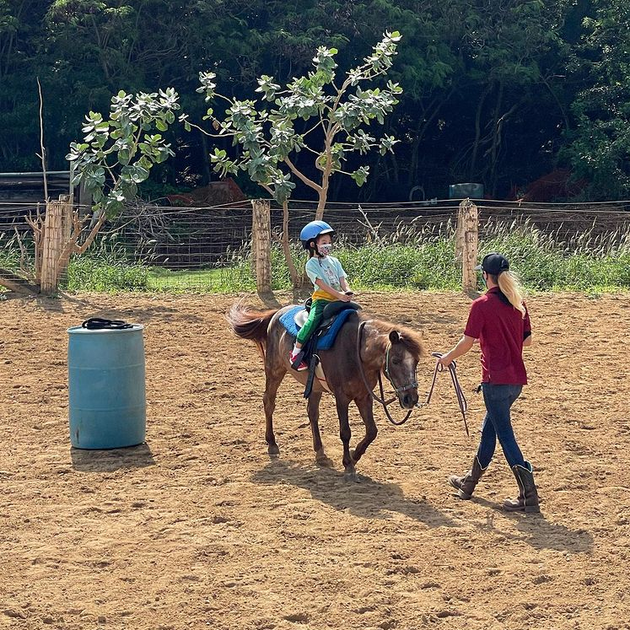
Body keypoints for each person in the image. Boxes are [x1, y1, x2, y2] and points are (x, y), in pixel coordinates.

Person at [438, 252, 539, 513]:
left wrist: (447, 358)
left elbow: (467, 342)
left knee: (504, 435)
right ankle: (468, 484)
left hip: (495, 381)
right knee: (491, 430)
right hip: (515, 381)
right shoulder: (519, 302)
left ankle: (528, 495)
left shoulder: (481, 305)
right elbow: (526, 340)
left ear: (485, 276)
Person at [289, 220, 353, 371]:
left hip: (339, 298)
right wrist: (339, 295)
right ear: (312, 244)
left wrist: (347, 291)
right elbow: (321, 284)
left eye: (329, 242)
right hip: (323, 300)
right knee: (313, 321)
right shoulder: (311, 264)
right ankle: (296, 351)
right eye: (324, 242)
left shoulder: (335, 261)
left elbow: (342, 279)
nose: (328, 245)